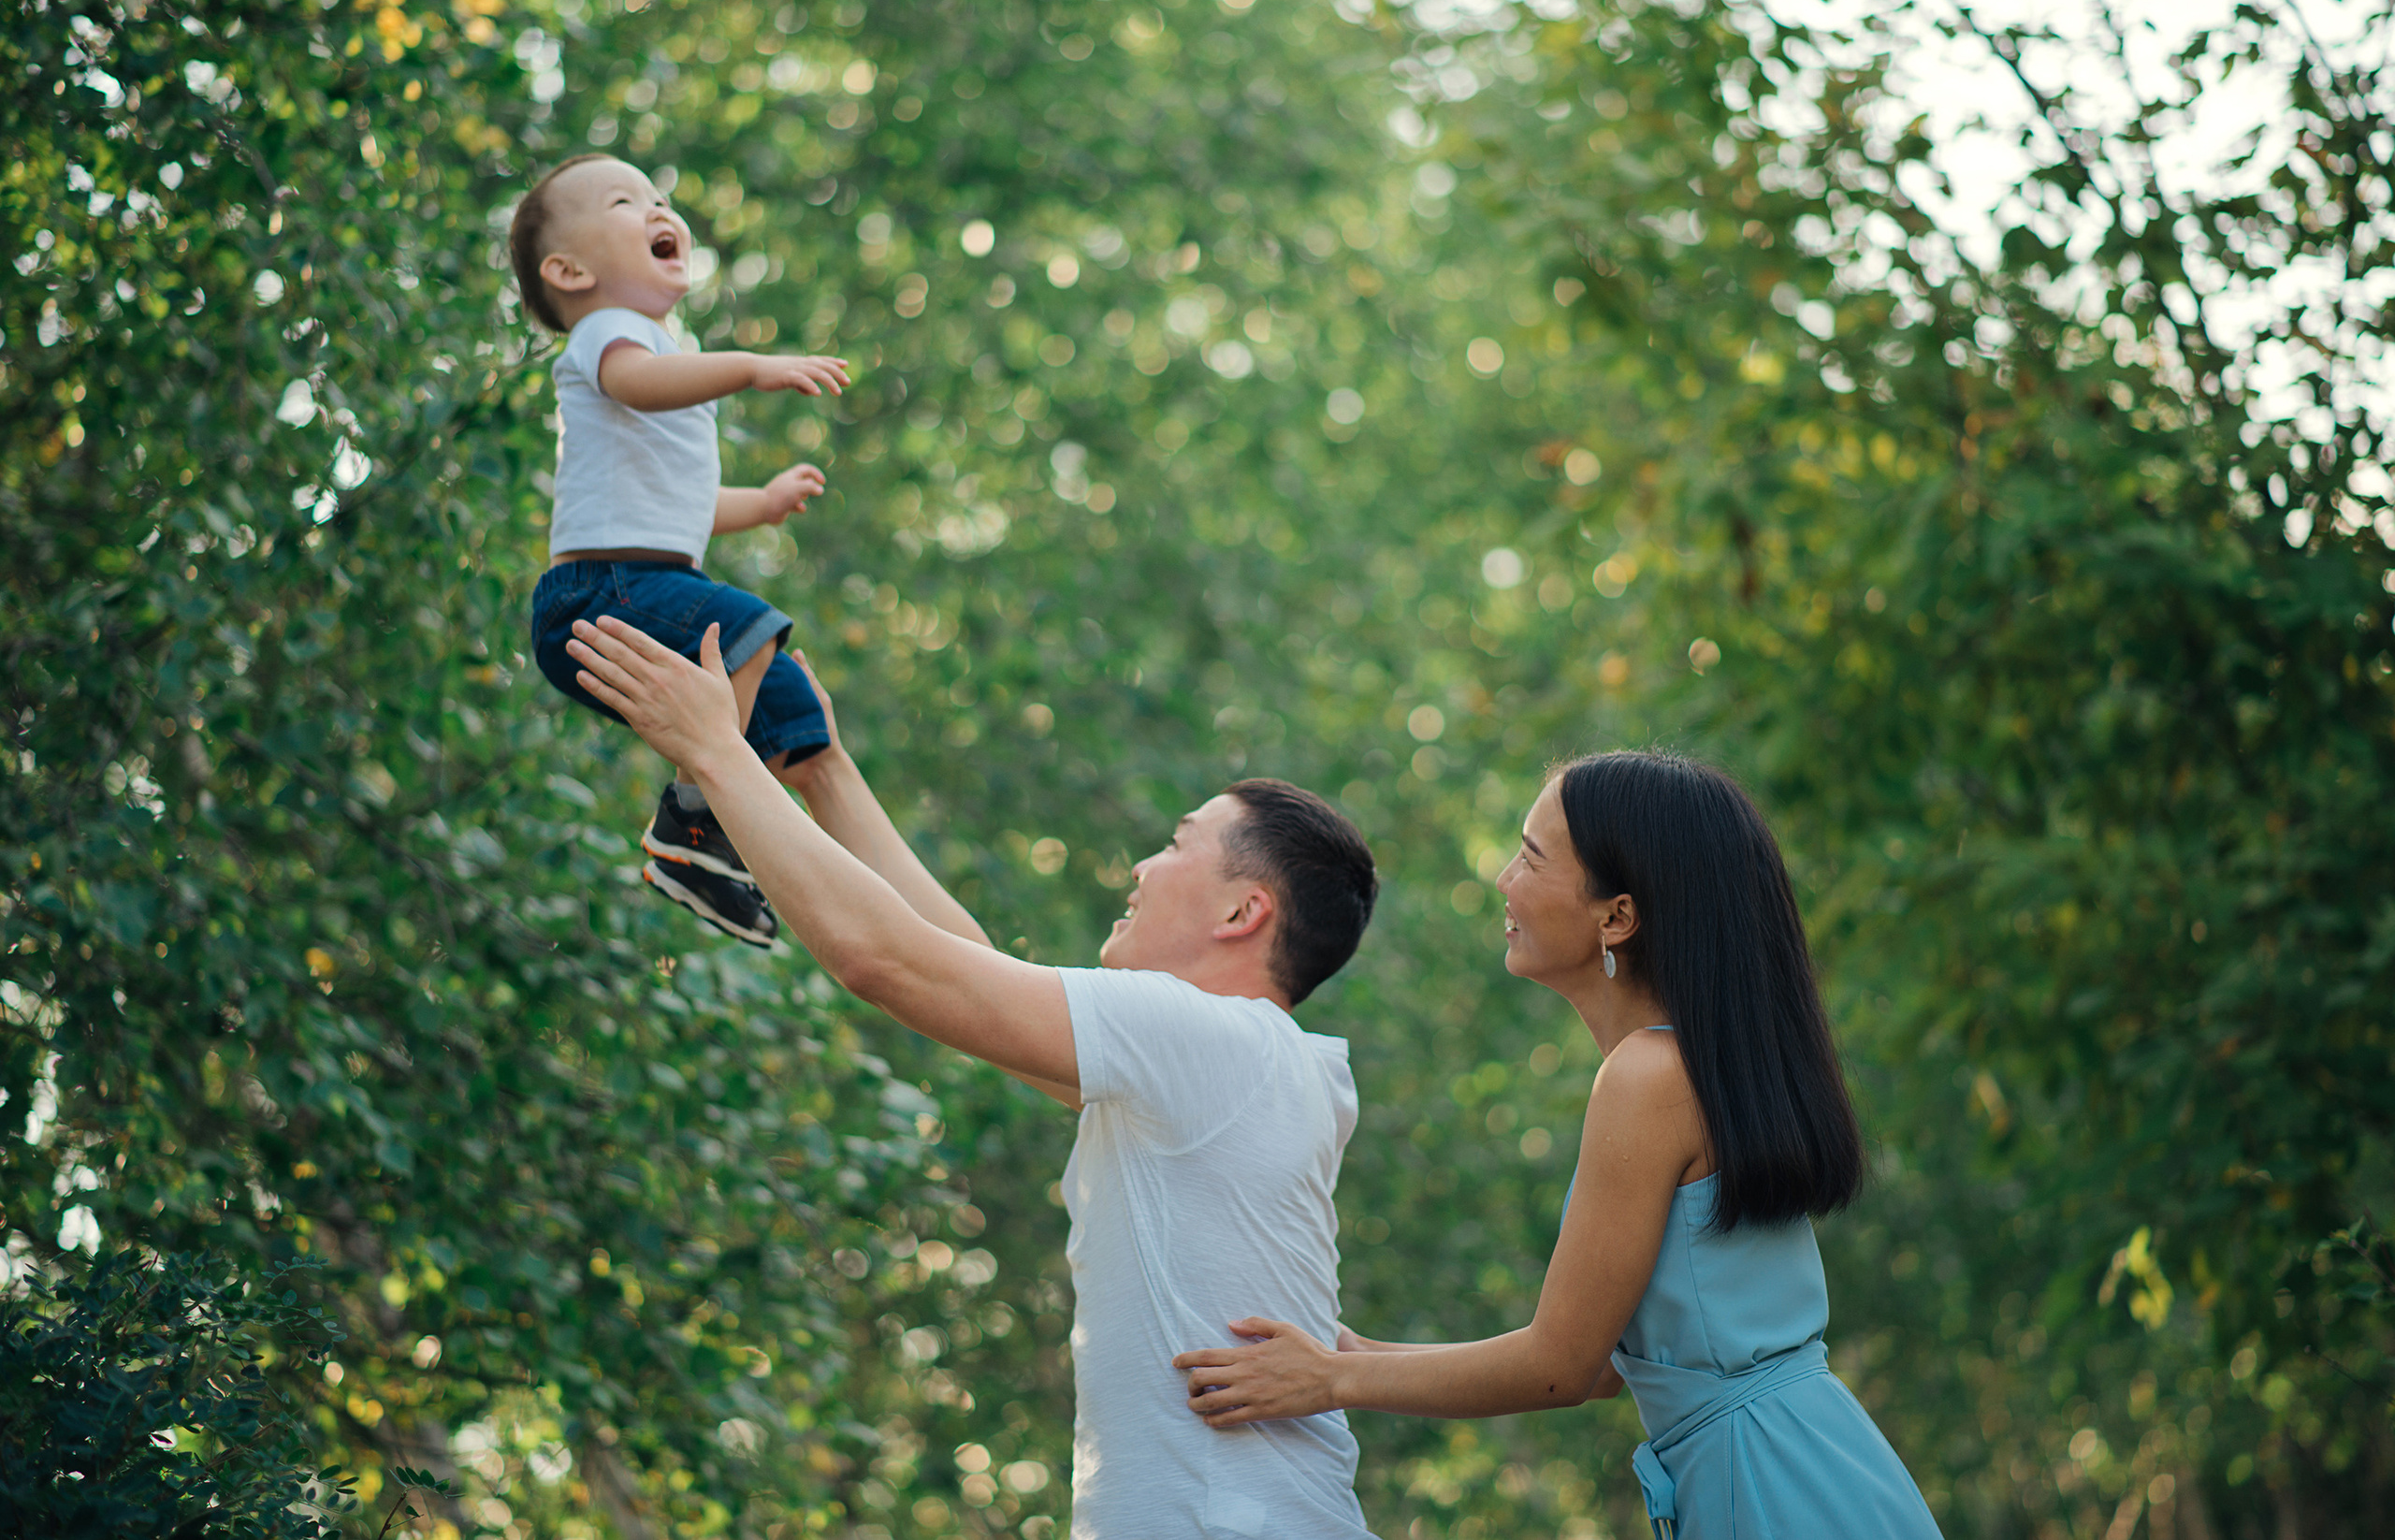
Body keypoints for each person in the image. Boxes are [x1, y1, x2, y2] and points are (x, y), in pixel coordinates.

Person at [563, 613, 1386, 1540]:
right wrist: (824, 773)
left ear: (1242, 909)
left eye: (1177, 840)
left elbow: (888, 960)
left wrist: (718, 752)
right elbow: (966, 966)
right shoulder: (1263, 1066)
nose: (1143, 863)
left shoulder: (1202, 1040)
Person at [1171, 751, 1943, 1540]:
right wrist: (1362, 1354)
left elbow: (1562, 1368)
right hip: (1806, 1466)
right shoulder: (1683, 1068)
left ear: (1617, 917)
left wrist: (1335, 1378)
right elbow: (1611, 1364)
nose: (1504, 879)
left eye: (1531, 857)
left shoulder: (1647, 1078)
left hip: (1773, 1488)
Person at [510, 152, 852, 948]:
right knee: (747, 629)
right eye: (627, 202)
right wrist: (749, 370)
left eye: (662, 197)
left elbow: (682, 506)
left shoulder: (663, 348)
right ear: (569, 269)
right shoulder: (610, 335)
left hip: (646, 585)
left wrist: (761, 504)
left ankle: (718, 859)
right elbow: (639, 386)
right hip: (599, 596)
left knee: (792, 710)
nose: (660, 210)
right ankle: (693, 820)